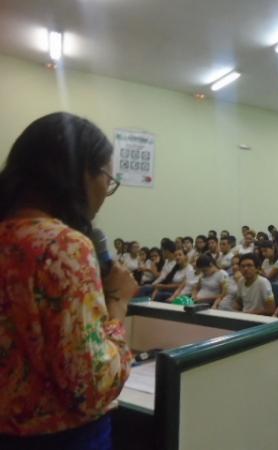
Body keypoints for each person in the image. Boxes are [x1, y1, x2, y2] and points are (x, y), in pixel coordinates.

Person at [0, 112, 137, 449]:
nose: (107, 191)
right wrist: (118, 301)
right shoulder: (64, 246)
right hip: (60, 437)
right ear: (81, 174)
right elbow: (91, 386)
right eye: (108, 177)